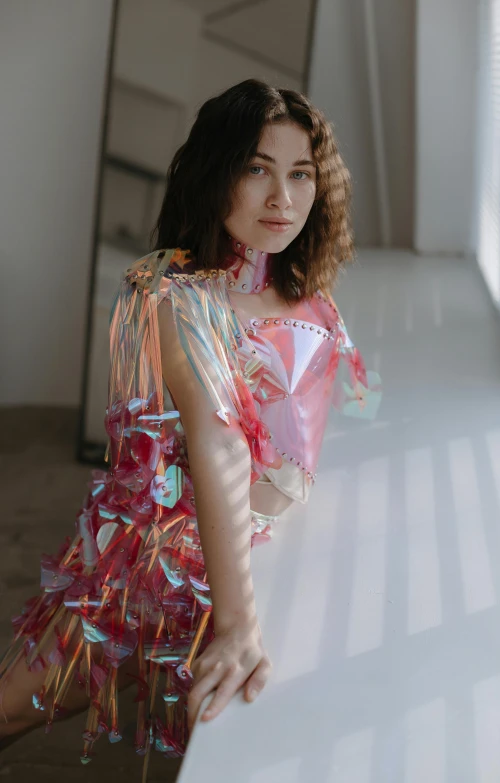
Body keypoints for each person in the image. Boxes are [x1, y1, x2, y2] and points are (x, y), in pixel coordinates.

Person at [0, 79, 382, 776]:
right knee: (18, 704)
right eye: (257, 168)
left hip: (254, 551)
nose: (282, 198)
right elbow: (216, 437)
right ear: (217, 171)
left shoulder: (310, 296)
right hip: (161, 559)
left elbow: (343, 409)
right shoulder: (173, 290)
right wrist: (238, 622)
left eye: (301, 174)